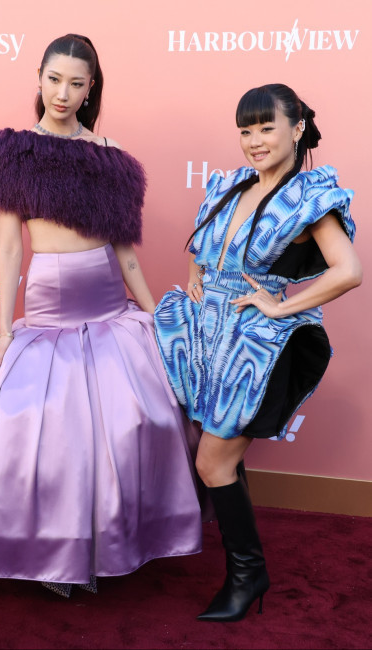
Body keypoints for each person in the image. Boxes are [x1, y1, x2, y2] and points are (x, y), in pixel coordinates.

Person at [0, 34, 204, 597]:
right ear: (38, 78)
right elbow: (10, 249)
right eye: (53, 80)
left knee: (132, 424)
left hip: (110, 307)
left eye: (75, 83)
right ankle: (51, 552)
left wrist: (157, 318)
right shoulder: (12, 153)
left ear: (91, 88)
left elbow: (126, 252)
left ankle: (111, 545)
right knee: (44, 431)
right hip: (49, 311)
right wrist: (5, 328)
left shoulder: (111, 157)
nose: (62, 93)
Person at [154, 83, 362, 621]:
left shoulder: (308, 197)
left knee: (212, 459)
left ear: (297, 128)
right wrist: (198, 277)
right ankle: (245, 571)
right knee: (218, 454)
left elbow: (349, 271)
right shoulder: (229, 185)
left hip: (255, 349)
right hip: (207, 339)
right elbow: (203, 246)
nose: (255, 141)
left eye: (267, 128)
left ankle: (248, 576)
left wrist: (280, 306)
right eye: (246, 130)